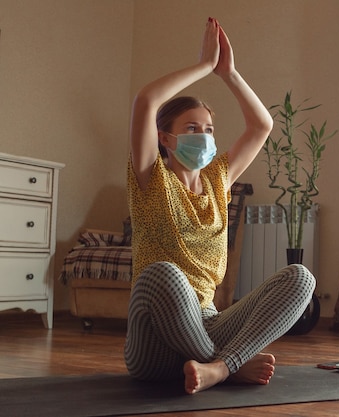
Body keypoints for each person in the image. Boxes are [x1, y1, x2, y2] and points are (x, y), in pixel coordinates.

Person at [123, 17, 316, 395]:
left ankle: (219, 367)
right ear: (165, 137)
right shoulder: (150, 176)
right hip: (153, 347)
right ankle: (230, 366)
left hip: (205, 324)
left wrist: (229, 73)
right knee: (163, 273)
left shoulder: (218, 179)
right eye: (192, 128)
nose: (204, 136)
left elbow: (262, 125)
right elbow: (146, 101)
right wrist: (203, 66)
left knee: (301, 278)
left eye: (209, 129)